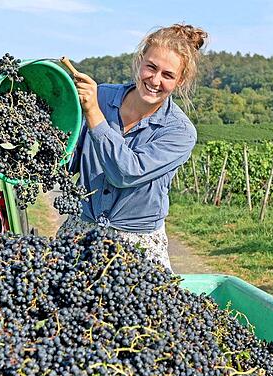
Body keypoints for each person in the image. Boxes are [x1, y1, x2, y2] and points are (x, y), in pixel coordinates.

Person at [58, 24, 208, 271]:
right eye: (151, 67)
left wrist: (94, 114)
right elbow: (69, 159)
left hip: (137, 243)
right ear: (140, 62)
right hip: (81, 229)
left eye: (168, 75)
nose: (155, 80)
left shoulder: (180, 132)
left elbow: (126, 172)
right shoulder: (102, 96)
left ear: (180, 81)